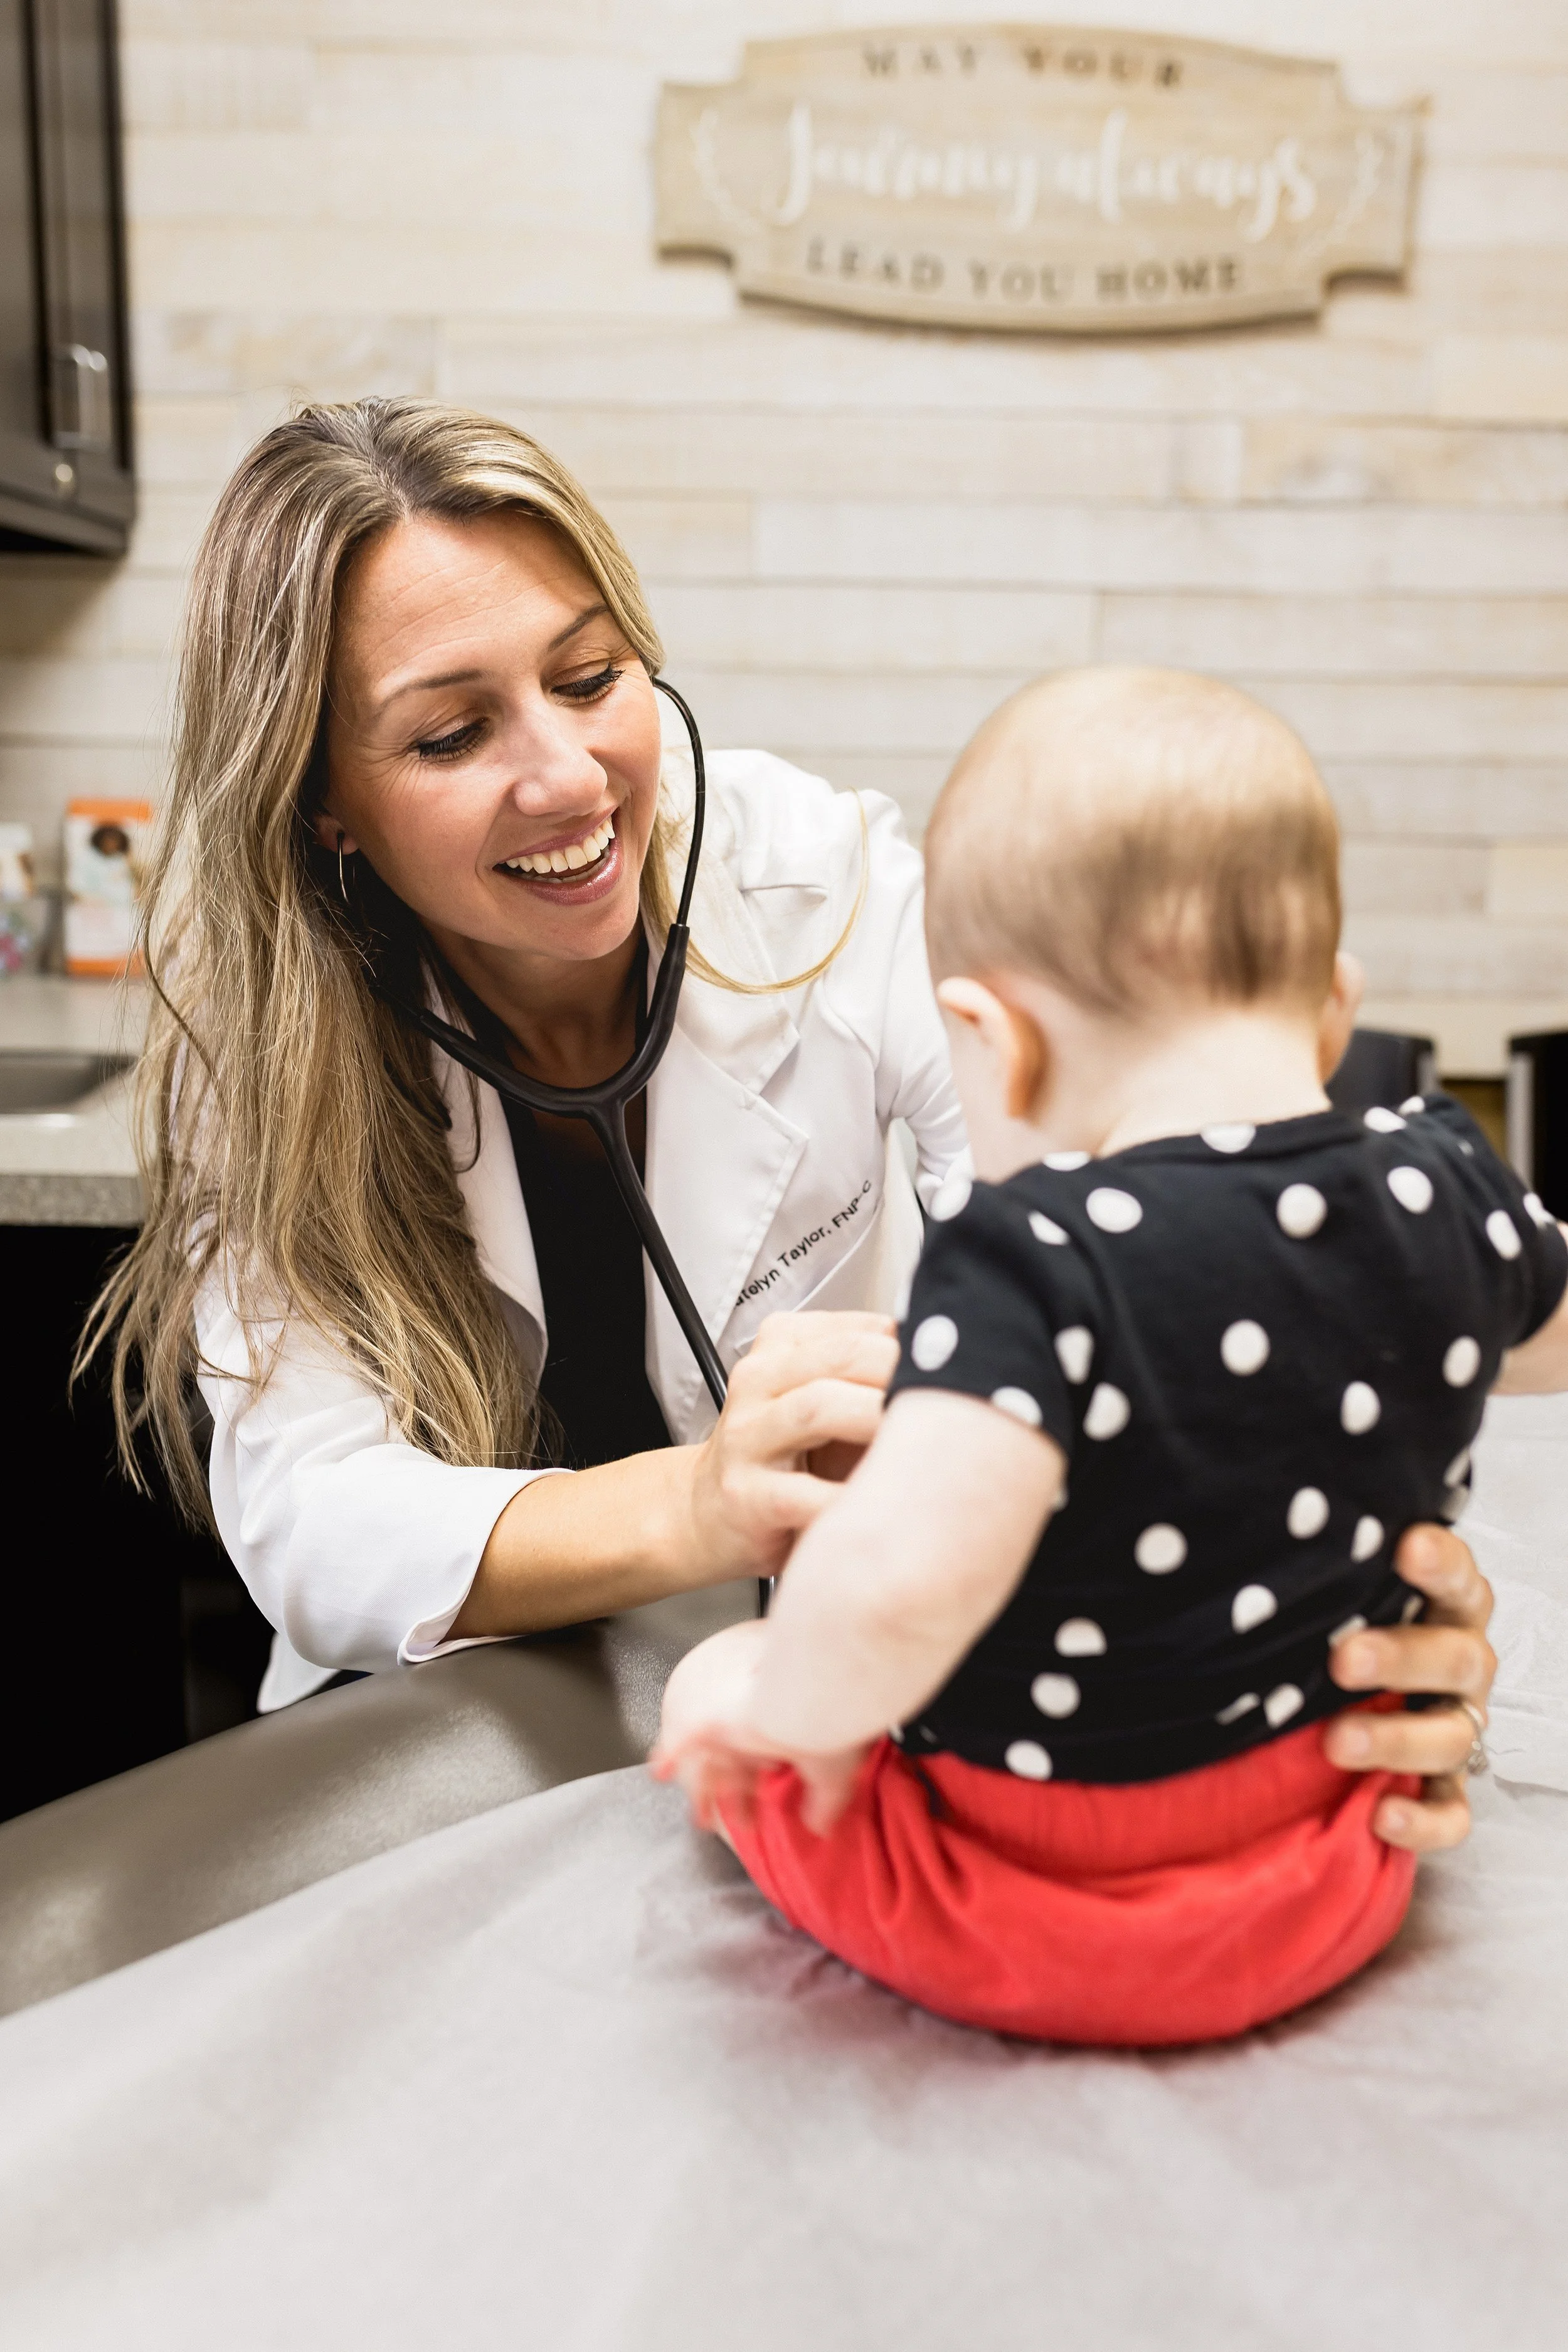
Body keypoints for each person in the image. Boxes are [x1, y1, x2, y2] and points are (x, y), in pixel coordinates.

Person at [88, 401, 1493, 1856]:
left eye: (591, 675)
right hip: (423, 1729)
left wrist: (1321, 1601)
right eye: (452, 732)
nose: (569, 776)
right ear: (323, 801)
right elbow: (318, 1522)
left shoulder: (827, 888)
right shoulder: (259, 1032)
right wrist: (700, 1502)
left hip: (824, 1678)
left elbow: (1138, 1263)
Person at [654, 669, 1565, 2041]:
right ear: (1333, 1006)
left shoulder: (1023, 1258)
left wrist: (784, 1705)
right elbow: (1542, 1347)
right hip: (1334, 1857)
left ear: (996, 1040)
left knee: (716, 1677)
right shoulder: (1444, 1177)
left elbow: (903, 1585)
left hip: (1029, 1911)